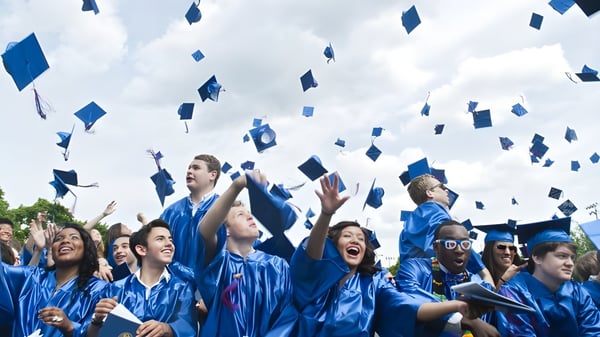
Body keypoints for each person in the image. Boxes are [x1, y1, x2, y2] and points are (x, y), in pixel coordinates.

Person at [292, 174, 478, 337]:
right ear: (333, 246)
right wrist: (326, 214)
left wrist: (455, 307)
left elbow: (406, 306)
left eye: (361, 239)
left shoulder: (374, 283)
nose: (356, 241)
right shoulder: (318, 280)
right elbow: (310, 259)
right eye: (347, 236)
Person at [196, 170, 298, 337]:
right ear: (225, 231)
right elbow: (205, 233)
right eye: (240, 215)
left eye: (250, 214)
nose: (250, 218)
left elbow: (287, 316)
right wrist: (237, 185)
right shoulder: (217, 265)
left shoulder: (278, 266)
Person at [88, 219, 197, 337]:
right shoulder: (115, 288)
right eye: (160, 239)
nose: (169, 244)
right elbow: (94, 335)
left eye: (170, 239)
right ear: (141, 249)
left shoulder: (182, 289)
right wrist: (97, 320)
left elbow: (189, 328)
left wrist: (168, 329)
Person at [0, 223, 108, 337]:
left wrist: (70, 327)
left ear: (87, 247)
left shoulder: (99, 290)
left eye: (74, 237)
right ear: (52, 249)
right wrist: (38, 249)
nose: (65, 241)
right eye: (58, 239)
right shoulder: (32, 277)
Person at [396, 220, 500, 337]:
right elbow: (410, 301)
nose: (459, 250)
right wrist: (464, 319)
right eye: (451, 244)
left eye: (465, 244)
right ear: (436, 247)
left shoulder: (477, 285)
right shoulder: (415, 269)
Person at [497, 218, 600, 336]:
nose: (570, 263)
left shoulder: (577, 291)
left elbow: (594, 331)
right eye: (562, 256)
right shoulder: (513, 294)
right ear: (537, 257)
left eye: (572, 257)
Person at [399, 174, 493, 284]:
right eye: (442, 187)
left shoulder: (414, 218)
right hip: (428, 283)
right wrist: (482, 269)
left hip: (415, 279)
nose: (446, 191)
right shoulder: (433, 213)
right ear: (429, 193)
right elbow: (448, 244)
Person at [161, 154, 222, 270]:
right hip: (174, 284)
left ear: (212, 175)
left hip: (213, 283)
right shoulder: (171, 212)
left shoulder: (225, 209)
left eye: (196, 168)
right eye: (189, 168)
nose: (189, 171)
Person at [476, 223, 526, 290]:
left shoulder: (524, 277)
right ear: (489, 251)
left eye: (511, 248)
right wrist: (503, 280)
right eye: (501, 247)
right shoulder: (478, 278)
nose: (507, 252)